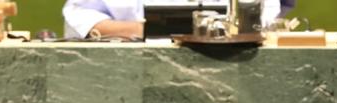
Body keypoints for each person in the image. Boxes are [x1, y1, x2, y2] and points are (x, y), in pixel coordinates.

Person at [62, 0, 282, 39]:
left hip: (225, 64)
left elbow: (263, 13)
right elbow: (81, 17)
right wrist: (146, 31)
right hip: (128, 68)